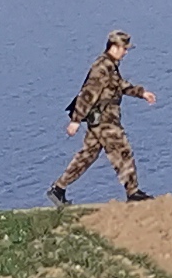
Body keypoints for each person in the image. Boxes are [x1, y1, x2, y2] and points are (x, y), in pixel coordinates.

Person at [53, 31, 155, 201]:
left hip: (101, 120)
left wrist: (141, 93)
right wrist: (75, 121)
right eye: (124, 48)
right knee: (123, 151)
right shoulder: (101, 68)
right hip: (104, 121)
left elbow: (119, 85)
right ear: (114, 47)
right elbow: (88, 94)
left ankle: (58, 189)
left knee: (88, 155)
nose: (126, 52)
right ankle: (133, 192)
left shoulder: (110, 66)